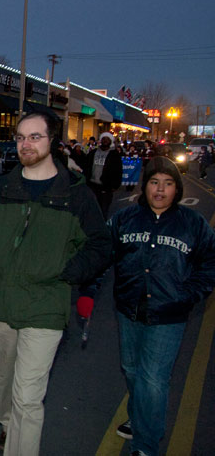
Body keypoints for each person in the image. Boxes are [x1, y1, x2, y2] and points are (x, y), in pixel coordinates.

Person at [0, 112, 111, 455]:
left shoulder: (76, 195)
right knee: (7, 375)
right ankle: (7, 424)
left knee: (28, 398)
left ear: (53, 142)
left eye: (34, 137)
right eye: (20, 137)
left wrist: (67, 272)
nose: (25, 144)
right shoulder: (0, 188)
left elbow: (101, 245)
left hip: (45, 307)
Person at [95, 157, 215, 456]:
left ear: (177, 188)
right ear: (144, 185)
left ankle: (146, 445)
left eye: (168, 183)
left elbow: (210, 264)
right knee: (133, 370)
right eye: (154, 182)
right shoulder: (124, 219)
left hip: (168, 316)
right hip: (129, 310)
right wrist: (86, 287)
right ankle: (139, 420)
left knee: (153, 380)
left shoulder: (193, 223)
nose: (160, 190)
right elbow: (100, 255)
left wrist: (187, 294)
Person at [83, 132, 122, 217]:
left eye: (107, 139)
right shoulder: (93, 152)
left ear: (110, 141)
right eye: (103, 139)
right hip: (92, 185)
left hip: (106, 186)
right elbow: (86, 166)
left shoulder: (114, 154)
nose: (105, 141)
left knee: (103, 210)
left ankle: (101, 228)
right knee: (91, 209)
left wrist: (115, 185)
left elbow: (118, 170)